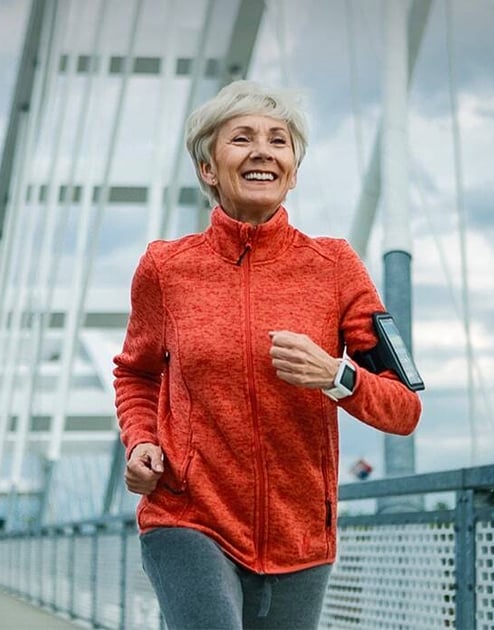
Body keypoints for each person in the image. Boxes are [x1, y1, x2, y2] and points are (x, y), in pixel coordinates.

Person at [113, 80, 422, 629]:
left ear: (293, 171)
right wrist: (141, 443)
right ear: (208, 169)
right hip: (188, 514)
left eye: (279, 141)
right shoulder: (165, 268)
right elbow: (136, 374)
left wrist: (337, 375)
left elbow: (403, 410)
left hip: (299, 530)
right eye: (241, 139)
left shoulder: (335, 267)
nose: (262, 150)